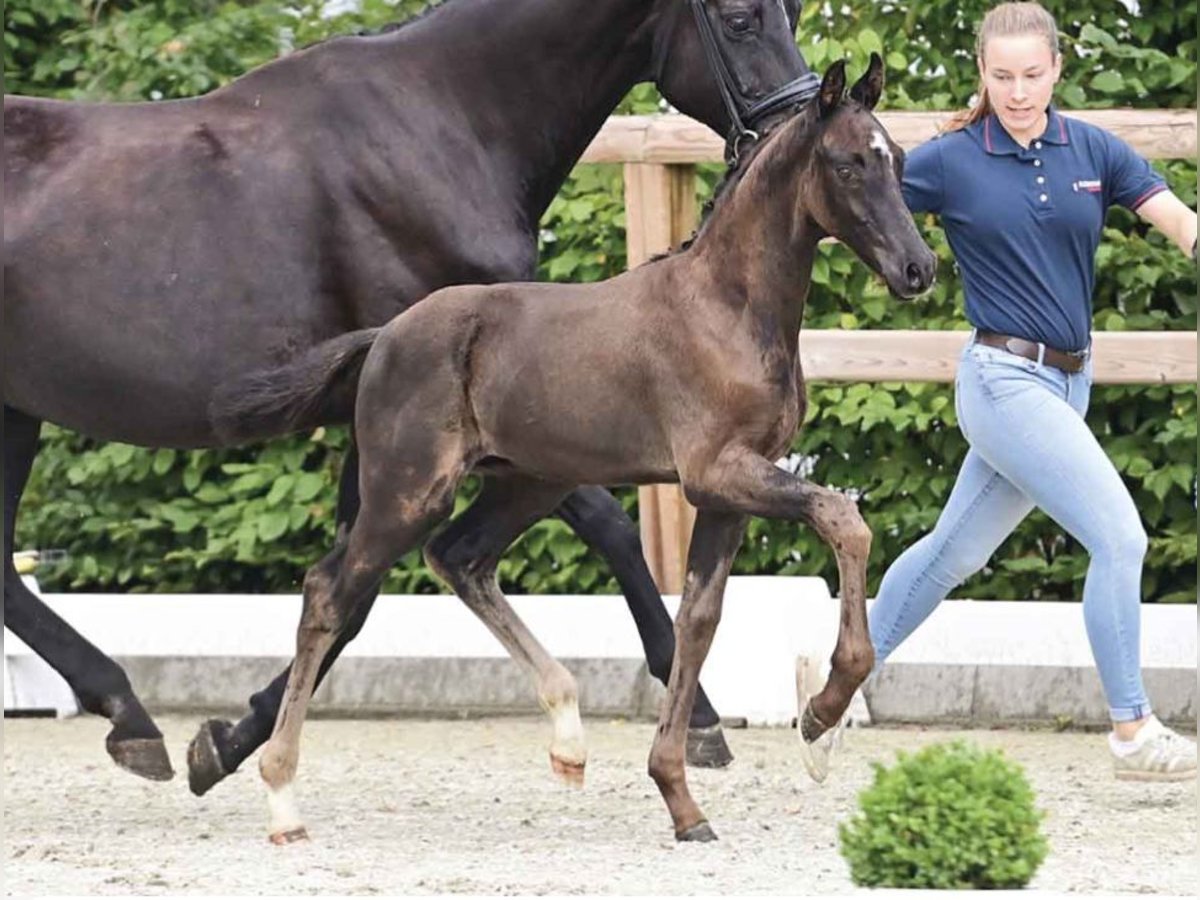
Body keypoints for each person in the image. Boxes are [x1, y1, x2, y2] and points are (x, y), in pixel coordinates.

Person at [798, 1, 1197, 784]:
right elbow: (853, 202)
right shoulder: (949, 161)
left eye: (1033, 74)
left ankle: (830, 685)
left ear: (1056, 70)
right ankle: (1131, 729)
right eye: (1002, 75)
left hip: (1068, 383)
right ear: (982, 73)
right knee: (1121, 538)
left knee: (953, 553)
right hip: (1002, 381)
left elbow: (1177, 220)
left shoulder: (1092, 149)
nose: (1018, 91)